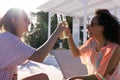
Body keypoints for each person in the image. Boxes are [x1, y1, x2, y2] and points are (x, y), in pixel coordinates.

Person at [0, 8, 68, 80]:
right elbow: (39, 56)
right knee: (42, 77)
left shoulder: (7, 38)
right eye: (25, 19)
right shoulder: (9, 38)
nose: (29, 22)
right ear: (14, 21)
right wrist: (56, 33)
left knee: (42, 77)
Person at [66, 9, 120, 80]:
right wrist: (69, 36)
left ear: (102, 28)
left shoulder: (114, 48)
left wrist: (74, 78)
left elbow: (99, 76)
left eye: (91, 24)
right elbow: (76, 53)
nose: (88, 27)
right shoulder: (92, 42)